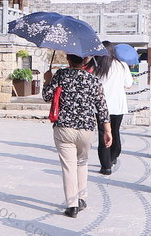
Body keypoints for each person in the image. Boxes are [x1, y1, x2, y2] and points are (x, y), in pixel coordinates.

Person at [41, 54, 112, 218]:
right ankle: (81, 198)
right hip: (87, 128)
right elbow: (102, 107)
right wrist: (107, 130)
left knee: (68, 166)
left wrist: (47, 80)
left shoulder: (60, 75)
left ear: (68, 58)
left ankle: (72, 205)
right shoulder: (92, 80)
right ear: (86, 60)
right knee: (82, 162)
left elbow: (47, 96)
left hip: (64, 127)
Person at [93, 41, 133, 175]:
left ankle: (106, 166)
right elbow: (129, 84)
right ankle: (113, 156)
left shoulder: (98, 65)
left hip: (101, 106)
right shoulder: (122, 65)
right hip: (118, 105)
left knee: (102, 134)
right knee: (115, 131)